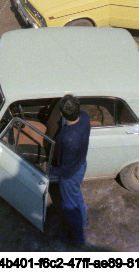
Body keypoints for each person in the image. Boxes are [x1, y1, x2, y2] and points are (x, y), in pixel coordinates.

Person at [51, 95, 91, 245]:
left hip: (70, 174)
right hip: (81, 165)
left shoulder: (67, 138)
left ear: (61, 114)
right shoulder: (85, 118)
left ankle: (77, 238)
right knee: (76, 195)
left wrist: (49, 170)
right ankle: (84, 221)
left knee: (70, 205)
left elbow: (65, 171)